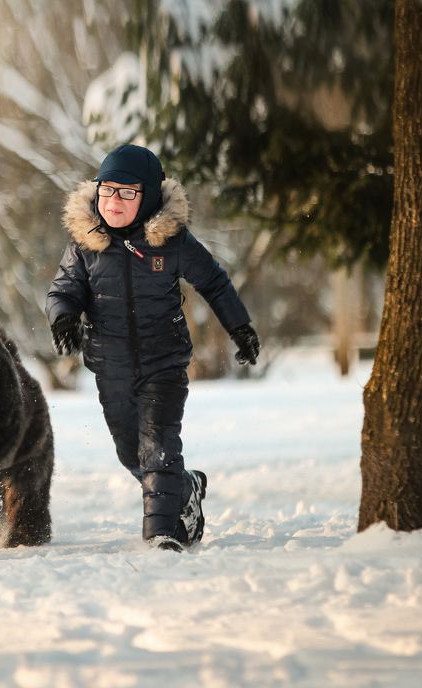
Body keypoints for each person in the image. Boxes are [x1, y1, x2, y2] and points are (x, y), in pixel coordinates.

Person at [46, 144, 260, 552]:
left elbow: (213, 282)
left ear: (147, 197)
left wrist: (240, 327)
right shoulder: (85, 243)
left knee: (159, 447)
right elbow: (63, 290)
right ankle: (187, 486)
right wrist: (64, 317)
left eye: (128, 193)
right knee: (133, 453)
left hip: (164, 361)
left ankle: (165, 535)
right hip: (111, 366)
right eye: (108, 190)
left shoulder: (172, 241)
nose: (115, 201)